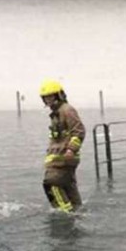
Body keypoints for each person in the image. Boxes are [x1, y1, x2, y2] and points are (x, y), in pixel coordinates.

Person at [40, 79, 85, 212]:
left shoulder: (67, 110)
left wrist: (71, 150)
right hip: (58, 159)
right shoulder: (56, 113)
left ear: (58, 95)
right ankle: (76, 210)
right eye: (45, 97)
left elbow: (79, 131)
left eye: (50, 96)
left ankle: (65, 214)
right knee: (68, 186)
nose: (48, 100)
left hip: (64, 158)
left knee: (51, 183)